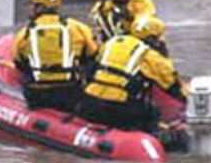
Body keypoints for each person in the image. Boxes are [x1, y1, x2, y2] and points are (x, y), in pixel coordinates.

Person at [79, 15, 189, 150]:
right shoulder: (151, 57)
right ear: (152, 38)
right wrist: (190, 102)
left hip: (91, 104)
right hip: (121, 110)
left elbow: (91, 69)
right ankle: (160, 139)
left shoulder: (111, 43)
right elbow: (174, 87)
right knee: (153, 112)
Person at [11, 0, 98, 112]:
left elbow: (19, 62)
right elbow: (93, 55)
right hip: (70, 92)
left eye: (32, 5)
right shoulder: (79, 28)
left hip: (38, 94)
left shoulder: (25, 33)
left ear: (39, 7)